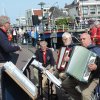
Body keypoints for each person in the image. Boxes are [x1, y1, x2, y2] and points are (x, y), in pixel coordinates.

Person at [61, 33, 100, 100]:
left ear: (89, 39)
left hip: (94, 77)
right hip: (79, 75)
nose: (82, 41)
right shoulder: (79, 49)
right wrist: (69, 59)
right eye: (81, 39)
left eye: (84, 39)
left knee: (85, 94)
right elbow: (76, 61)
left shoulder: (97, 50)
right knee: (65, 84)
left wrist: (96, 67)